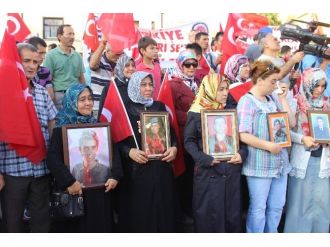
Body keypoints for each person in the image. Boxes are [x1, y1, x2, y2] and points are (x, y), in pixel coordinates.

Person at [46, 84, 122, 233]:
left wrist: (115, 176)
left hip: (100, 196)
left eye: (90, 98)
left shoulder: (99, 126)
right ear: (71, 101)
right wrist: (70, 182)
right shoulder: (60, 129)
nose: (88, 103)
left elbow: (114, 153)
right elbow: (52, 159)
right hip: (74, 195)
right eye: (82, 99)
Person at [0, 43, 57, 233]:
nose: (32, 66)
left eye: (36, 62)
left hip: (41, 170)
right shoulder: (3, 93)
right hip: (12, 173)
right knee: (12, 224)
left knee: (41, 223)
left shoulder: (42, 92)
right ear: (16, 62)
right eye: (26, 61)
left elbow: (52, 126)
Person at [184, 73, 247, 232]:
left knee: (231, 214)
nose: (225, 93)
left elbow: (241, 139)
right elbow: (189, 141)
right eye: (220, 89)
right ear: (210, 90)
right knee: (209, 216)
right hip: (208, 172)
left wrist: (242, 154)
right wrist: (204, 159)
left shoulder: (231, 111)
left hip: (231, 171)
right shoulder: (196, 112)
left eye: (226, 89)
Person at [237, 60, 295, 233]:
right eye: (272, 81)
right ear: (260, 80)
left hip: (280, 163)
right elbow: (243, 134)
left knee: (277, 207)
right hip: (259, 165)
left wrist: (283, 99)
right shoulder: (247, 101)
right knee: (259, 208)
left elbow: (290, 123)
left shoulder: (272, 99)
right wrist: (267, 145)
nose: (275, 85)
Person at [117, 71, 178, 232]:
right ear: (135, 86)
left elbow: (171, 135)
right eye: (143, 85)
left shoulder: (159, 107)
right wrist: (129, 151)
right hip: (137, 173)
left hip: (161, 169)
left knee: (163, 211)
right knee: (141, 215)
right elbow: (116, 141)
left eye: (151, 84)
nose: (149, 88)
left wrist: (174, 148)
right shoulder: (125, 110)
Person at [284, 67, 330, 233]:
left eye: (323, 86)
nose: (320, 89)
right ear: (308, 83)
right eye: (317, 85)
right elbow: (285, 131)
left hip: (323, 160)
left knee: (321, 204)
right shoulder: (296, 102)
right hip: (302, 159)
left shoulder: (327, 104)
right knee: (299, 203)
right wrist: (302, 139)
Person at [168, 49, 200, 223]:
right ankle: (185, 209)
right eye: (187, 64)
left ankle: (194, 205)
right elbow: (170, 111)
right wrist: (191, 116)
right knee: (185, 173)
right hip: (183, 135)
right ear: (180, 65)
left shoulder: (199, 83)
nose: (191, 67)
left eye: (194, 64)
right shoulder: (174, 85)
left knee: (196, 173)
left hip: (199, 136)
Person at [43, 24, 85, 110]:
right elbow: (47, 80)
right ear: (60, 36)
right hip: (59, 96)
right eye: (69, 34)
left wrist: (83, 93)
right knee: (60, 122)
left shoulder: (77, 55)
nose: (72, 37)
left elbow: (81, 78)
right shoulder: (51, 55)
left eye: (73, 34)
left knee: (76, 122)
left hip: (76, 95)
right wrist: (52, 97)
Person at [89, 35, 123, 117]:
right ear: (107, 52)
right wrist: (102, 44)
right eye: (116, 55)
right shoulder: (99, 60)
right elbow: (93, 65)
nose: (119, 57)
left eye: (120, 54)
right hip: (98, 107)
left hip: (114, 108)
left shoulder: (121, 64)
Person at [97, 53, 136, 120]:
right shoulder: (111, 87)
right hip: (117, 125)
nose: (131, 68)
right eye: (127, 66)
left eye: (133, 66)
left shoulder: (136, 86)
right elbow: (103, 112)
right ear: (120, 67)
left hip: (133, 127)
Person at [26, 36, 55, 100]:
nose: (43, 57)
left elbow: (50, 95)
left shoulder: (45, 71)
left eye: (44, 53)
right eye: (40, 53)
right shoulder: (20, 71)